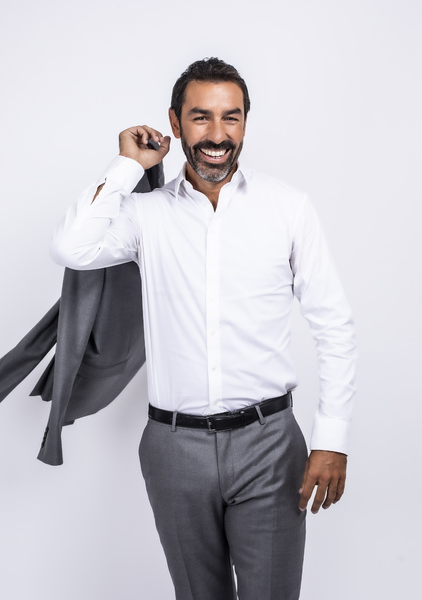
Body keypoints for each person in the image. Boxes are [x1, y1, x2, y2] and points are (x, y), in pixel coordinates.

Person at [51, 57, 356, 600]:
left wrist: (331, 441)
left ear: (245, 123)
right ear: (175, 122)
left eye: (230, 117)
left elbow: (333, 325)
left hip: (269, 445)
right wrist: (126, 166)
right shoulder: (144, 214)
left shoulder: (288, 209)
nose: (217, 135)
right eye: (201, 117)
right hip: (173, 448)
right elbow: (72, 247)